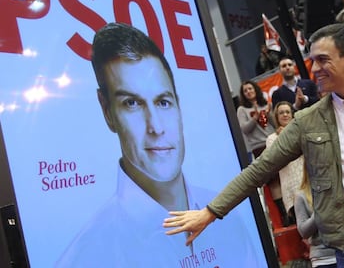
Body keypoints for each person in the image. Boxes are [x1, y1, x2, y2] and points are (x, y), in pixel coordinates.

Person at [163, 23, 344, 268]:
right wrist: (209, 213)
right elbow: (259, 170)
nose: (314, 68)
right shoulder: (308, 121)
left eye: (323, 59)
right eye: (312, 60)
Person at [56, 23, 259, 267]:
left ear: (178, 104)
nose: (156, 127)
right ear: (107, 111)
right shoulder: (87, 257)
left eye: (163, 102)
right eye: (131, 103)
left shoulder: (229, 217)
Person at [266, 101, 303, 227]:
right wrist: (284, 137)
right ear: (276, 117)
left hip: (308, 184)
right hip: (291, 189)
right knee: (305, 228)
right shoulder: (272, 139)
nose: (285, 115)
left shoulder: (301, 130)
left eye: (288, 112)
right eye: (281, 113)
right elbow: (277, 160)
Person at [294, 164, 337, 268]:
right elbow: (304, 232)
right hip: (323, 259)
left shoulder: (338, 187)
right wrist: (319, 210)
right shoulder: (301, 196)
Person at [237, 80, 275, 158]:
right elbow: (244, 129)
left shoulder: (266, 104)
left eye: (250, 88)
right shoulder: (242, 109)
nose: (248, 92)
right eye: (245, 91)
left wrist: (269, 115)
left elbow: (275, 124)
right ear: (243, 95)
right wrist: (254, 118)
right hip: (258, 147)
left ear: (255, 89)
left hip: (273, 142)